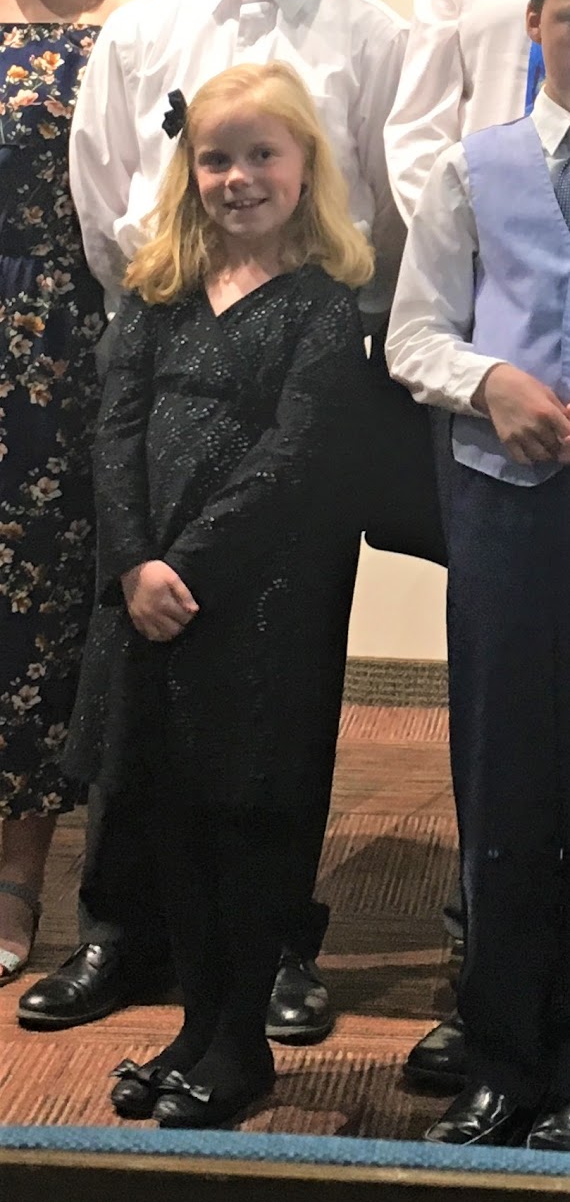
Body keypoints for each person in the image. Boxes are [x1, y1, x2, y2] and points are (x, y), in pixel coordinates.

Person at [19, 0, 410, 1042]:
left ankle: (275, 939)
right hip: (164, 374)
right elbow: (102, 207)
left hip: (303, 394)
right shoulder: (143, 31)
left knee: (281, 686)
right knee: (136, 670)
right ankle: (118, 928)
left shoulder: (377, 39)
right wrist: (175, 312)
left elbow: (389, 216)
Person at [63, 59, 373, 1129]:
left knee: (244, 823)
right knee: (170, 819)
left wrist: (185, 567)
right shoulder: (157, 294)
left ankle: (240, 1043)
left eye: (261, 156)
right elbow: (113, 434)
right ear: (188, 171)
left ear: (304, 168)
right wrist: (134, 563)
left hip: (256, 607)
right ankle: (195, 1027)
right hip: (150, 605)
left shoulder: (323, 307)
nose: (238, 177)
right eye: (215, 159)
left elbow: (292, 458)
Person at [384, 0, 570, 1092]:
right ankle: (504, 1034)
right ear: (539, 21)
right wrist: (490, 380)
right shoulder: (473, 166)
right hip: (509, 499)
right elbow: (415, 336)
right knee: (506, 765)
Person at [0, 0, 154, 988]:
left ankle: (19, 880)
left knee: (40, 617)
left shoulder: (125, 12)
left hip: (56, 353)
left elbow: (150, 201)